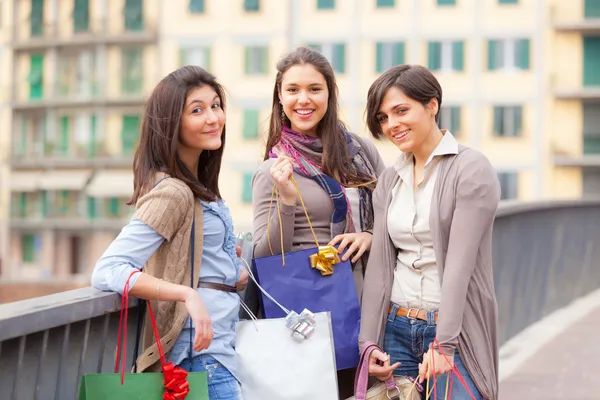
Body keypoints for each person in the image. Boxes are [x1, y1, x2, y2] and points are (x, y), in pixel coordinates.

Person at [91, 66, 247, 400]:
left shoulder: (198, 187)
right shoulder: (173, 192)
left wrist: (230, 271)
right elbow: (108, 270)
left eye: (216, 105)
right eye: (197, 110)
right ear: (171, 124)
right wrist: (186, 294)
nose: (213, 118)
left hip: (218, 351)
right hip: (200, 358)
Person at [359, 65, 500, 400]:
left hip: (453, 331)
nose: (392, 125)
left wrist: (445, 344)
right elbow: (380, 268)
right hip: (397, 328)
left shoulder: (471, 170)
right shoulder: (390, 180)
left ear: (432, 105)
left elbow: (459, 267)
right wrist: (368, 345)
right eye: (383, 118)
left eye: (401, 110)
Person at [251, 47, 385, 399]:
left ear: (330, 93)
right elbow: (266, 255)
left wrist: (371, 235)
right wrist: (287, 200)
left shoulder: (360, 153)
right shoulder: (273, 170)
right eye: (292, 90)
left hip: (372, 299)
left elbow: (393, 210)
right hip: (311, 310)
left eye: (314, 88)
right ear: (280, 97)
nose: (303, 99)